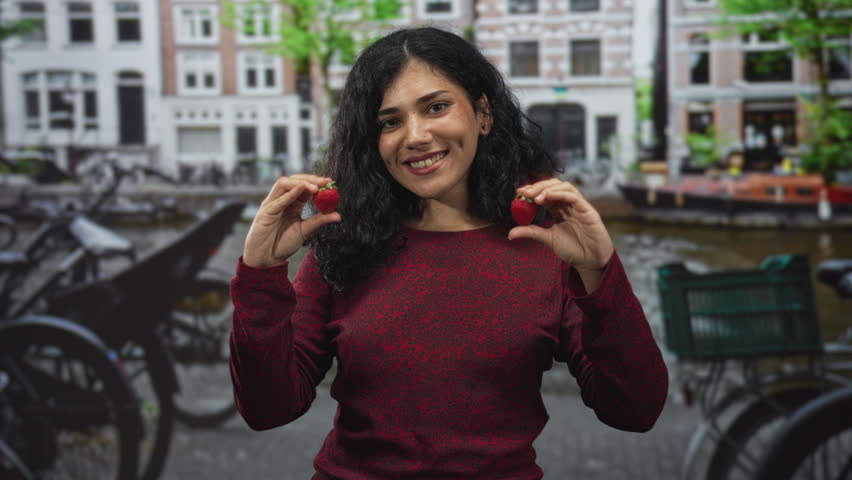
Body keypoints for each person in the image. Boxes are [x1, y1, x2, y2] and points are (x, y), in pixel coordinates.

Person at [230, 26, 668, 479]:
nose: (415, 136)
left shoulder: (546, 246)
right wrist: (261, 274)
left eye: (436, 107)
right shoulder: (344, 244)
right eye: (390, 122)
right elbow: (268, 410)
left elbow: (635, 410)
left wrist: (599, 273)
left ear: (483, 113)